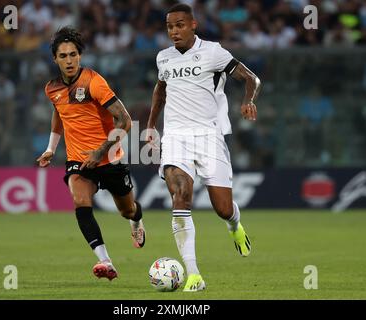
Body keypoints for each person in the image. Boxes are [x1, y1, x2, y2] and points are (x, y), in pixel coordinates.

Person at [146, 4, 261, 292]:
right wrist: (150, 126)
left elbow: (251, 78)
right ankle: (194, 274)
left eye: (180, 25)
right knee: (181, 195)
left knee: (222, 209)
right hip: (176, 137)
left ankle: (234, 225)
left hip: (209, 136)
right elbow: (160, 91)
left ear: (193, 24)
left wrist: (248, 100)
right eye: (170, 26)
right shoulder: (163, 58)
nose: (174, 31)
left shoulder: (214, 52)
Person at [37, 27, 145, 281]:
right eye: (63, 56)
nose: (69, 60)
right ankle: (105, 261)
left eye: (73, 54)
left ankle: (137, 221)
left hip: (109, 158)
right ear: (55, 59)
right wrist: (51, 148)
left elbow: (126, 121)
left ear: (80, 56)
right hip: (78, 160)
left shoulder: (94, 82)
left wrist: (100, 151)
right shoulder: (51, 89)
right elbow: (59, 112)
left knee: (127, 210)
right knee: (80, 202)